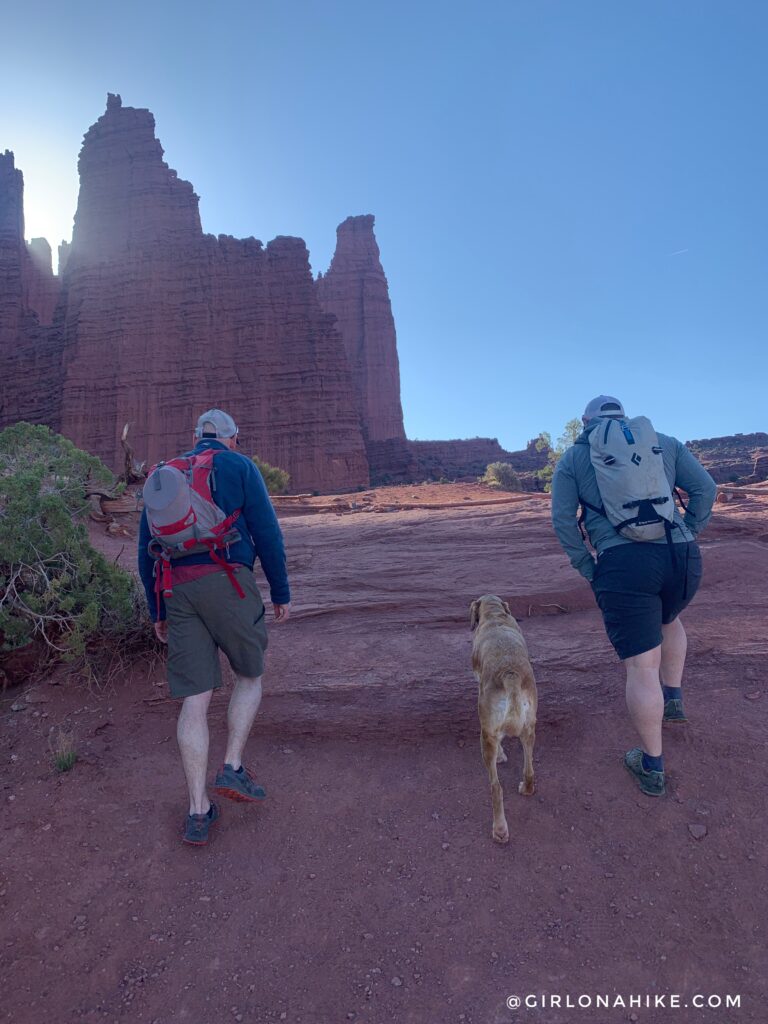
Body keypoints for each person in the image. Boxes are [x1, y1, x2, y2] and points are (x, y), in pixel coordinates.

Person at [138, 409, 291, 844]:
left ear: (194, 438)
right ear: (231, 439)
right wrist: (280, 592)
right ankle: (233, 767)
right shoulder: (239, 465)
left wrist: (157, 611)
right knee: (249, 674)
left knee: (194, 701)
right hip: (227, 582)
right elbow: (267, 533)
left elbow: (145, 553)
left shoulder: (165, 474)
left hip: (177, 591)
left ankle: (198, 811)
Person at [551, 395, 716, 797]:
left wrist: (587, 566)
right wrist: (688, 532)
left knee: (642, 668)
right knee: (669, 617)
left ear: (585, 421)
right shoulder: (663, 441)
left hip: (624, 564)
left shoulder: (575, 458)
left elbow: (562, 520)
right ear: (623, 418)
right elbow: (706, 489)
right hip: (681, 558)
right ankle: (673, 700)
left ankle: (652, 766)